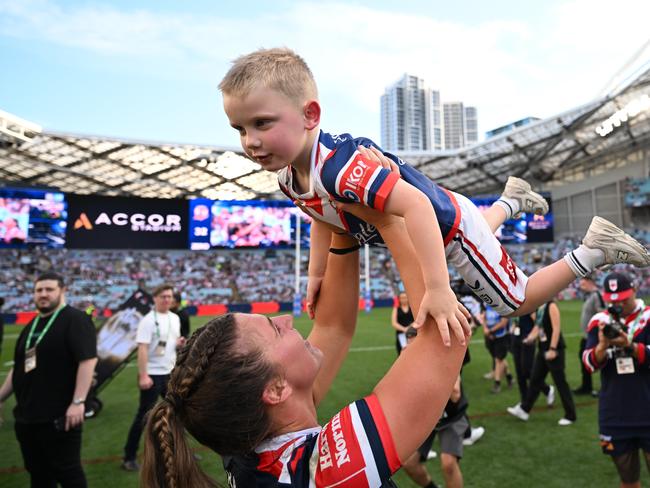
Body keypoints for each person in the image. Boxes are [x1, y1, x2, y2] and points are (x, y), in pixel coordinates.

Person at [219, 47, 650, 345]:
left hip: (449, 228)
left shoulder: (342, 168)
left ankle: (594, 250)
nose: (250, 140)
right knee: (474, 245)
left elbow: (416, 206)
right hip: (448, 222)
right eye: (240, 129)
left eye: (261, 123)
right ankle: (512, 200)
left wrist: (438, 289)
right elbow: (320, 215)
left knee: (514, 301)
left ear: (310, 114)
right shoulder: (291, 177)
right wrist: (316, 275)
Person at [140, 160, 470, 487]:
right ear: (275, 389)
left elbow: (334, 328)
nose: (287, 320)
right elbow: (445, 338)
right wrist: (387, 220)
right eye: (274, 329)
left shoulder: (251, 436)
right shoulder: (321, 476)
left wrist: (339, 222)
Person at [0, 271, 97, 487]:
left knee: (68, 473)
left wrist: (78, 402)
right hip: (28, 417)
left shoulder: (75, 319)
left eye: (49, 289)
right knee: (38, 474)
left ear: (63, 291)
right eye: (39, 290)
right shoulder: (32, 326)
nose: (43, 294)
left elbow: (88, 360)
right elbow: (20, 368)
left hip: (60, 417)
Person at [582, 272, 650, 488]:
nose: (618, 304)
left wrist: (628, 346)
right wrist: (602, 346)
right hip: (615, 414)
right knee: (628, 482)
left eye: (623, 298)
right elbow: (588, 363)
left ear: (635, 291)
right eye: (613, 300)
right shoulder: (600, 322)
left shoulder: (648, 317)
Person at [121, 284, 184, 472]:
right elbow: (142, 349)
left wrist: (180, 344)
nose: (167, 300)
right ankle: (129, 456)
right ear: (155, 298)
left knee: (178, 414)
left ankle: (179, 452)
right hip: (153, 375)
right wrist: (143, 375)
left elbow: (173, 344)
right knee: (144, 416)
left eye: (169, 296)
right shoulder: (148, 320)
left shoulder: (175, 318)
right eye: (163, 296)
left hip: (170, 373)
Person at [402, 326, 467, 488]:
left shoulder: (444, 356)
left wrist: (431, 367)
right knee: (409, 463)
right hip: (429, 417)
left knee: (448, 463)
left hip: (452, 416)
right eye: (408, 344)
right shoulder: (408, 362)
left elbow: (455, 394)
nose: (411, 348)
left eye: (414, 344)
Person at [507, 300, 576, 426]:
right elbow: (539, 327)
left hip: (554, 350)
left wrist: (553, 349)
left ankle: (570, 415)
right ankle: (524, 409)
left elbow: (556, 329)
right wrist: (529, 339)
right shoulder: (539, 307)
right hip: (543, 349)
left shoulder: (551, 305)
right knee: (535, 379)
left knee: (561, 383)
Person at [510, 311, 554, 406]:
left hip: (528, 340)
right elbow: (515, 319)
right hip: (516, 339)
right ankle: (524, 401)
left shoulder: (528, 304)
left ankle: (547, 389)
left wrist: (541, 338)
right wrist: (512, 329)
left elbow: (538, 324)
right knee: (519, 373)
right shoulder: (515, 304)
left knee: (527, 371)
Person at [573, 273, 605, 396]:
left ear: (590, 282)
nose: (581, 286)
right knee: (583, 359)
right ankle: (586, 386)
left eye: (583, 283)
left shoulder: (597, 295)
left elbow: (602, 314)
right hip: (586, 336)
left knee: (602, 361)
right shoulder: (588, 295)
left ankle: (604, 388)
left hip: (595, 336)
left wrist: (600, 335)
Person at [483, 305, 512, 393]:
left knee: (498, 360)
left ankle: (497, 384)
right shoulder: (487, 304)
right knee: (499, 359)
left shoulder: (503, 306)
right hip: (490, 337)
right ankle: (509, 377)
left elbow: (504, 323)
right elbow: (484, 317)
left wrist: (491, 331)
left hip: (501, 336)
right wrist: (485, 329)